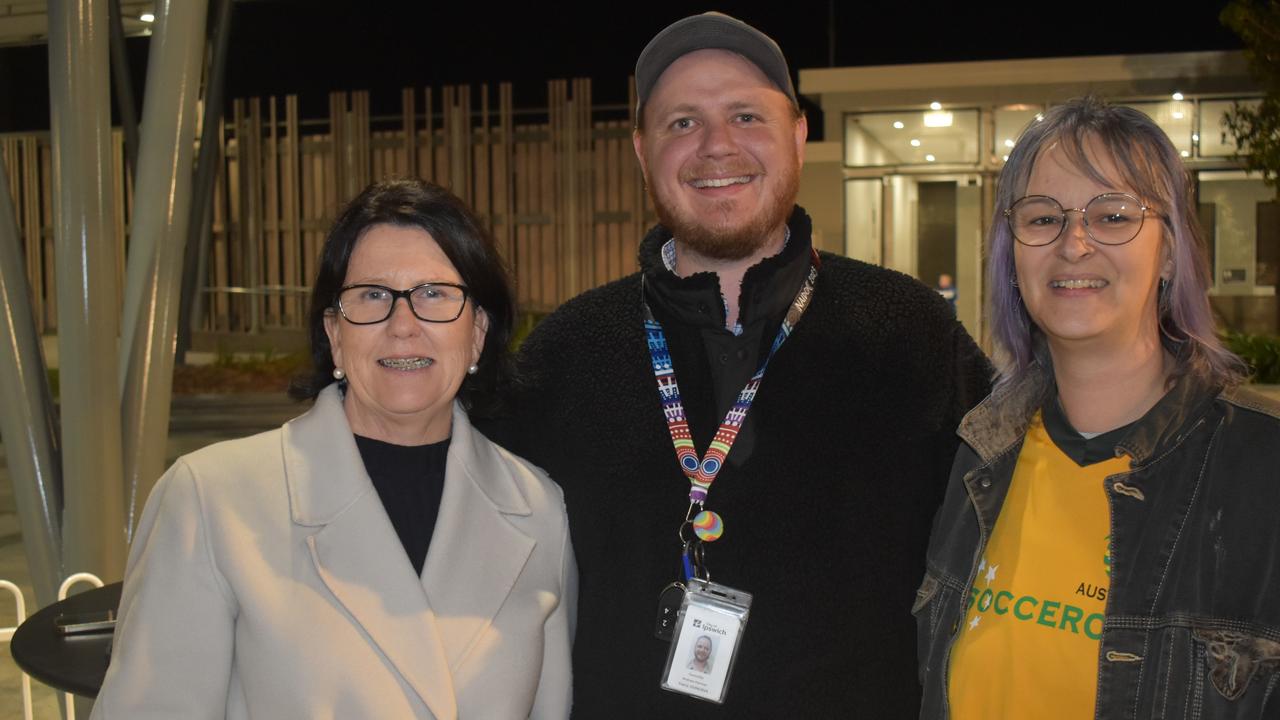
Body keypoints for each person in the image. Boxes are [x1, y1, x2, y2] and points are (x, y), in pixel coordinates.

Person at [480, 12, 991, 716]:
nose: (717, 146)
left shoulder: (912, 334)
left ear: (799, 135)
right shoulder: (564, 355)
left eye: (746, 115)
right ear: (641, 150)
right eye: (681, 123)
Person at [92, 179, 576, 719]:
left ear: (478, 333)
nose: (403, 326)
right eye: (372, 295)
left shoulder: (538, 510)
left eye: (434, 294)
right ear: (334, 333)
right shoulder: (211, 501)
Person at [914, 97, 1280, 719]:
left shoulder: (1260, 468)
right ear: (1013, 256)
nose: (1074, 244)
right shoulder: (980, 455)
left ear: (1170, 253)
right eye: (1042, 218)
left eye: (1113, 216)